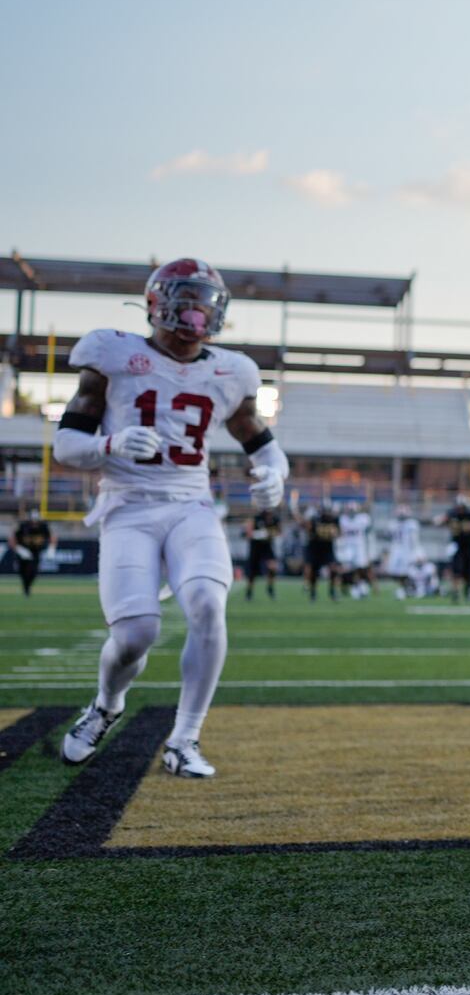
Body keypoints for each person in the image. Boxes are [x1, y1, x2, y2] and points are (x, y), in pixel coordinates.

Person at [49, 258, 288, 778]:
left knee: (208, 604)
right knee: (134, 635)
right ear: (158, 302)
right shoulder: (113, 353)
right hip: (128, 506)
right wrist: (108, 443)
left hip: (191, 505)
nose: (199, 310)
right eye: (188, 297)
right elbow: (65, 444)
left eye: (207, 299)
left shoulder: (232, 370)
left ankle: (185, 739)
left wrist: (274, 472)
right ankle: (107, 705)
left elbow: (260, 440)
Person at [437, 493, 470, 603]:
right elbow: (439, 520)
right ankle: (455, 592)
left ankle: (468, 592)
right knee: (456, 571)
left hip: (469, 547)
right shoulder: (452, 514)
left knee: (469, 574)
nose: (459, 508)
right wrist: (440, 520)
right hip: (457, 546)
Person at [242, 506, 281, 601]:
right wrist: (258, 534)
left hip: (267, 546)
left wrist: (269, 533)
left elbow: (279, 532)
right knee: (252, 572)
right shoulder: (256, 518)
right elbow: (248, 534)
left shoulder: (275, 519)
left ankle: (270, 588)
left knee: (273, 567)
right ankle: (249, 592)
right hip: (255, 546)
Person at [11, 509, 51, 596]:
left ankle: (27, 587)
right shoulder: (23, 526)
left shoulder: (43, 526)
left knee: (34, 571)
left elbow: (52, 537)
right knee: (22, 572)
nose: (34, 524)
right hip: (23, 552)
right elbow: (13, 538)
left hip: (36, 552)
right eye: (33, 521)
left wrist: (52, 548)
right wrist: (19, 549)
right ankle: (26, 587)